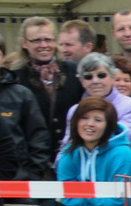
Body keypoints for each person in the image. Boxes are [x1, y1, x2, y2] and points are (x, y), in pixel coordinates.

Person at [0, 30, 51, 180]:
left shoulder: (21, 94)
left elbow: (38, 138)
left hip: (17, 181)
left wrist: (32, 176)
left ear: (3, 58)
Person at [9, 16, 81, 146]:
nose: (44, 45)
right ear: (24, 43)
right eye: (37, 40)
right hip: (35, 158)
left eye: (48, 39)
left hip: (72, 154)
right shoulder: (15, 79)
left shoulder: (73, 71)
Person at [60, 53, 131, 147]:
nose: (95, 81)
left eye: (101, 75)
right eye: (88, 77)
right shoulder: (74, 111)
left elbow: (124, 141)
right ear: (82, 81)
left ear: (113, 77)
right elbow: (66, 147)